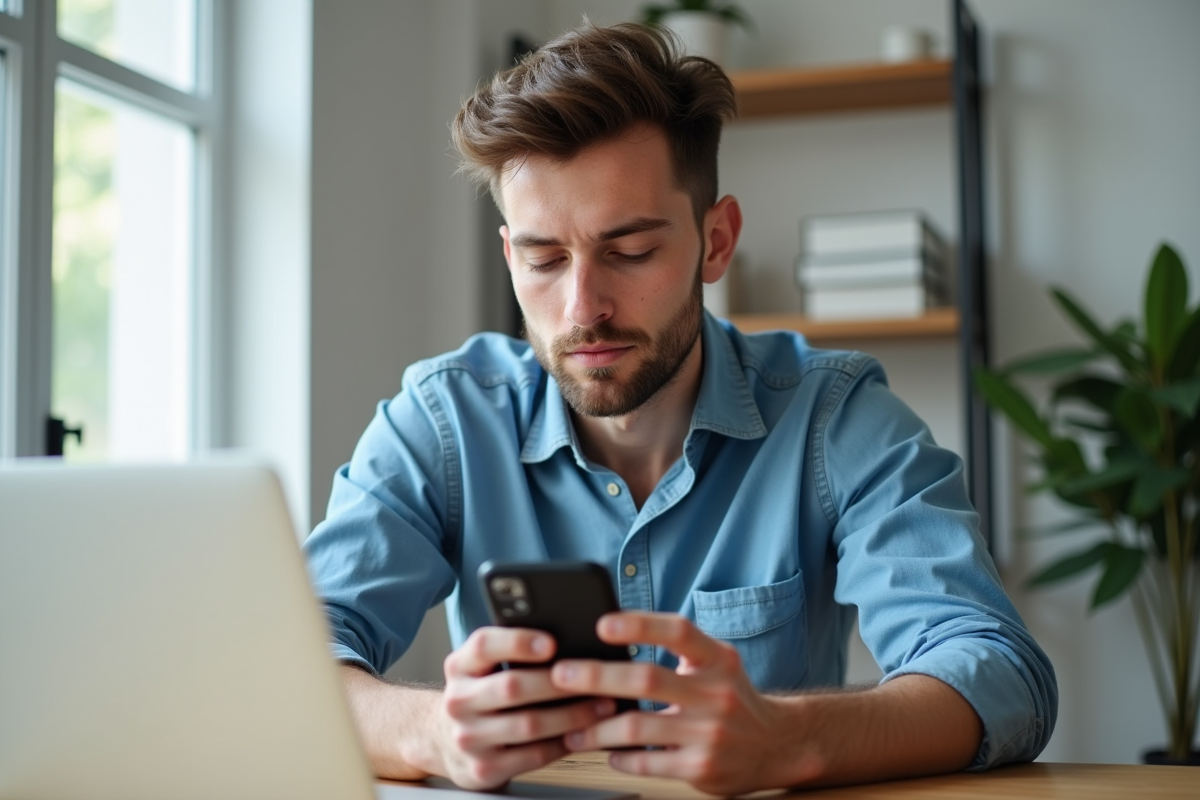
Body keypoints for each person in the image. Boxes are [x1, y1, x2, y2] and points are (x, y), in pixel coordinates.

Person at [303, 22, 1056, 795]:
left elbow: (1000, 673)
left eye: (629, 251)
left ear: (715, 240)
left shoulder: (833, 416)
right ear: (510, 257)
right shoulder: (442, 420)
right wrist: (435, 734)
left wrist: (787, 739)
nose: (582, 307)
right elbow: (291, 665)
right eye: (544, 259)